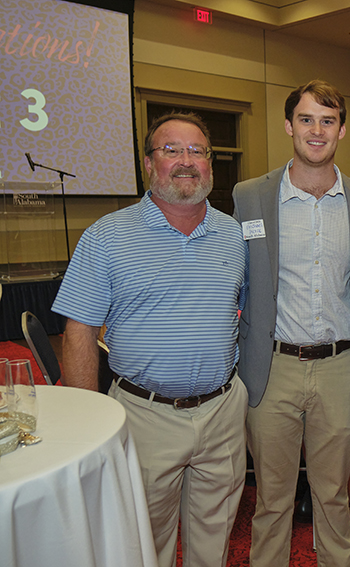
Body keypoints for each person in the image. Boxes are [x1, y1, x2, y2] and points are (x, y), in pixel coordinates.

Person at [52, 112, 249, 567]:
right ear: (147, 163)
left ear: (211, 165)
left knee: (214, 544)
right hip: (144, 415)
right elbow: (78, 331)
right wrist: (88, 426)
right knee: (142, 545)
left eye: (197, 151)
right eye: (171, 150)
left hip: (222, 414)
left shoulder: (233, 235)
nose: (186, 161)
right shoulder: (105, 237)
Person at [232, 79, 350, 566]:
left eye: (328, 120)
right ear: (288, 125)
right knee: (271, 501)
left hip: (340, 369)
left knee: (333, 497)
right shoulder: (250, 196)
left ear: (342, 129)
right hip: (272, 367)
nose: (316, 130)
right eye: (306, 119)